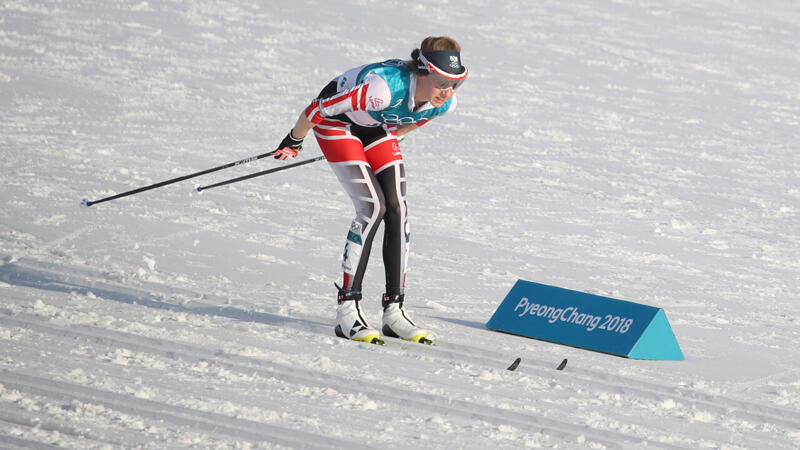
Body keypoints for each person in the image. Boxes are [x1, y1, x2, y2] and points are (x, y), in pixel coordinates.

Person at [274, 36, 468, 345]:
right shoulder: (383, 89)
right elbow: (317, 109)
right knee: (372, 208)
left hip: (376, 124)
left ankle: (394, 311)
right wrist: (294, 141)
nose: (447, 92)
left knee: (398, 209)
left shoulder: (444, 103)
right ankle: (347, 311)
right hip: (336, 122)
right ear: (422, 71)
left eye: (456, 83)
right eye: (441, 82)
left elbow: (415, 119)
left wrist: (392, 138)